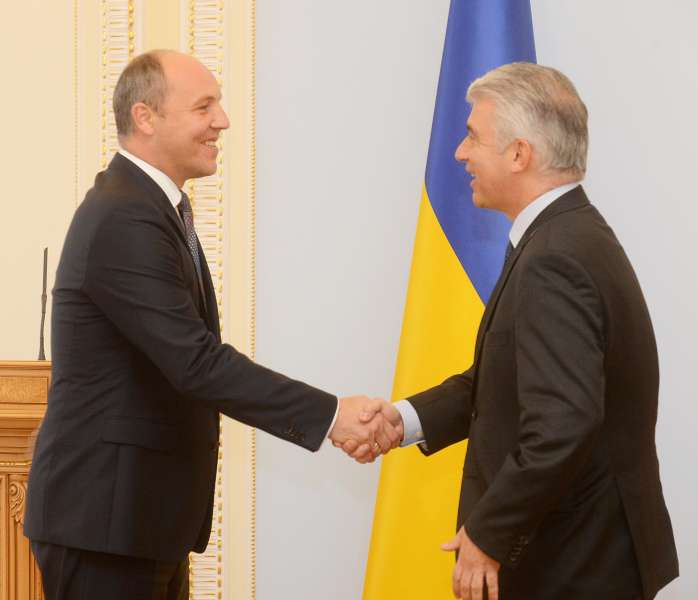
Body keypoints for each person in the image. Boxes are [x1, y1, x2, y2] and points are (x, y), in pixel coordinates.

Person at [24, 49, 401, 600]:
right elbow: (196, 362)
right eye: (204, 107)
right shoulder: (125, 214)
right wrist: (331, 416)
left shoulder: (153, 206)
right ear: (145, 118)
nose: (222, 120)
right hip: (105, 524)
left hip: (138, 521)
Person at [343, 63, 678, 600]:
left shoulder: (554, 257)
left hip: (573, 564)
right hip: (586, 555)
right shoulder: (567, 236)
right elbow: (503, 383)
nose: (460, 153)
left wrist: (488, 532)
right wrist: (402, 421)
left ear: (519, 154)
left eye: (473, 136)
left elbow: (563, 423)